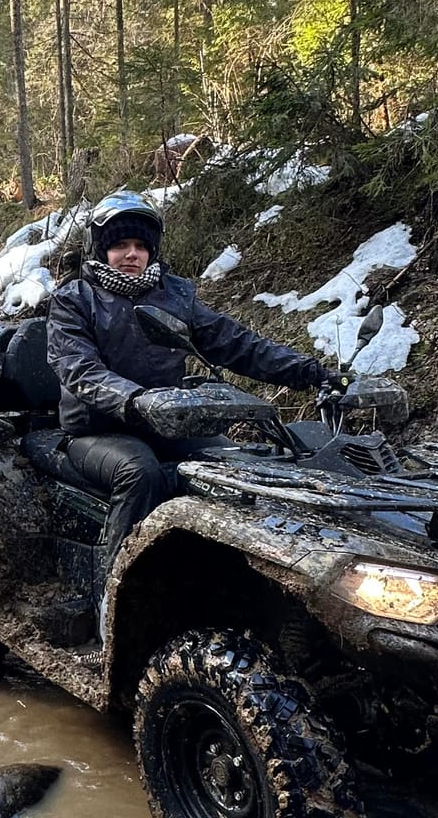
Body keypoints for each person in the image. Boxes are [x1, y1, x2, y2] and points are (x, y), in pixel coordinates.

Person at [47, 190, 339, 610]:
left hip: (166, 423)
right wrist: (135, 400)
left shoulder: (175, 295)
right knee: (139, 473)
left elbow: (237, 343)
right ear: (102, 248)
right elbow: (78, 369)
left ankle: (242, 582)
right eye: (120, 245)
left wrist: (311, 372)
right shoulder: (73, 300)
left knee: (236, 465)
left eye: (140, 246)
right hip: (97, 431)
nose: (132, 254)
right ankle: (112, 601)